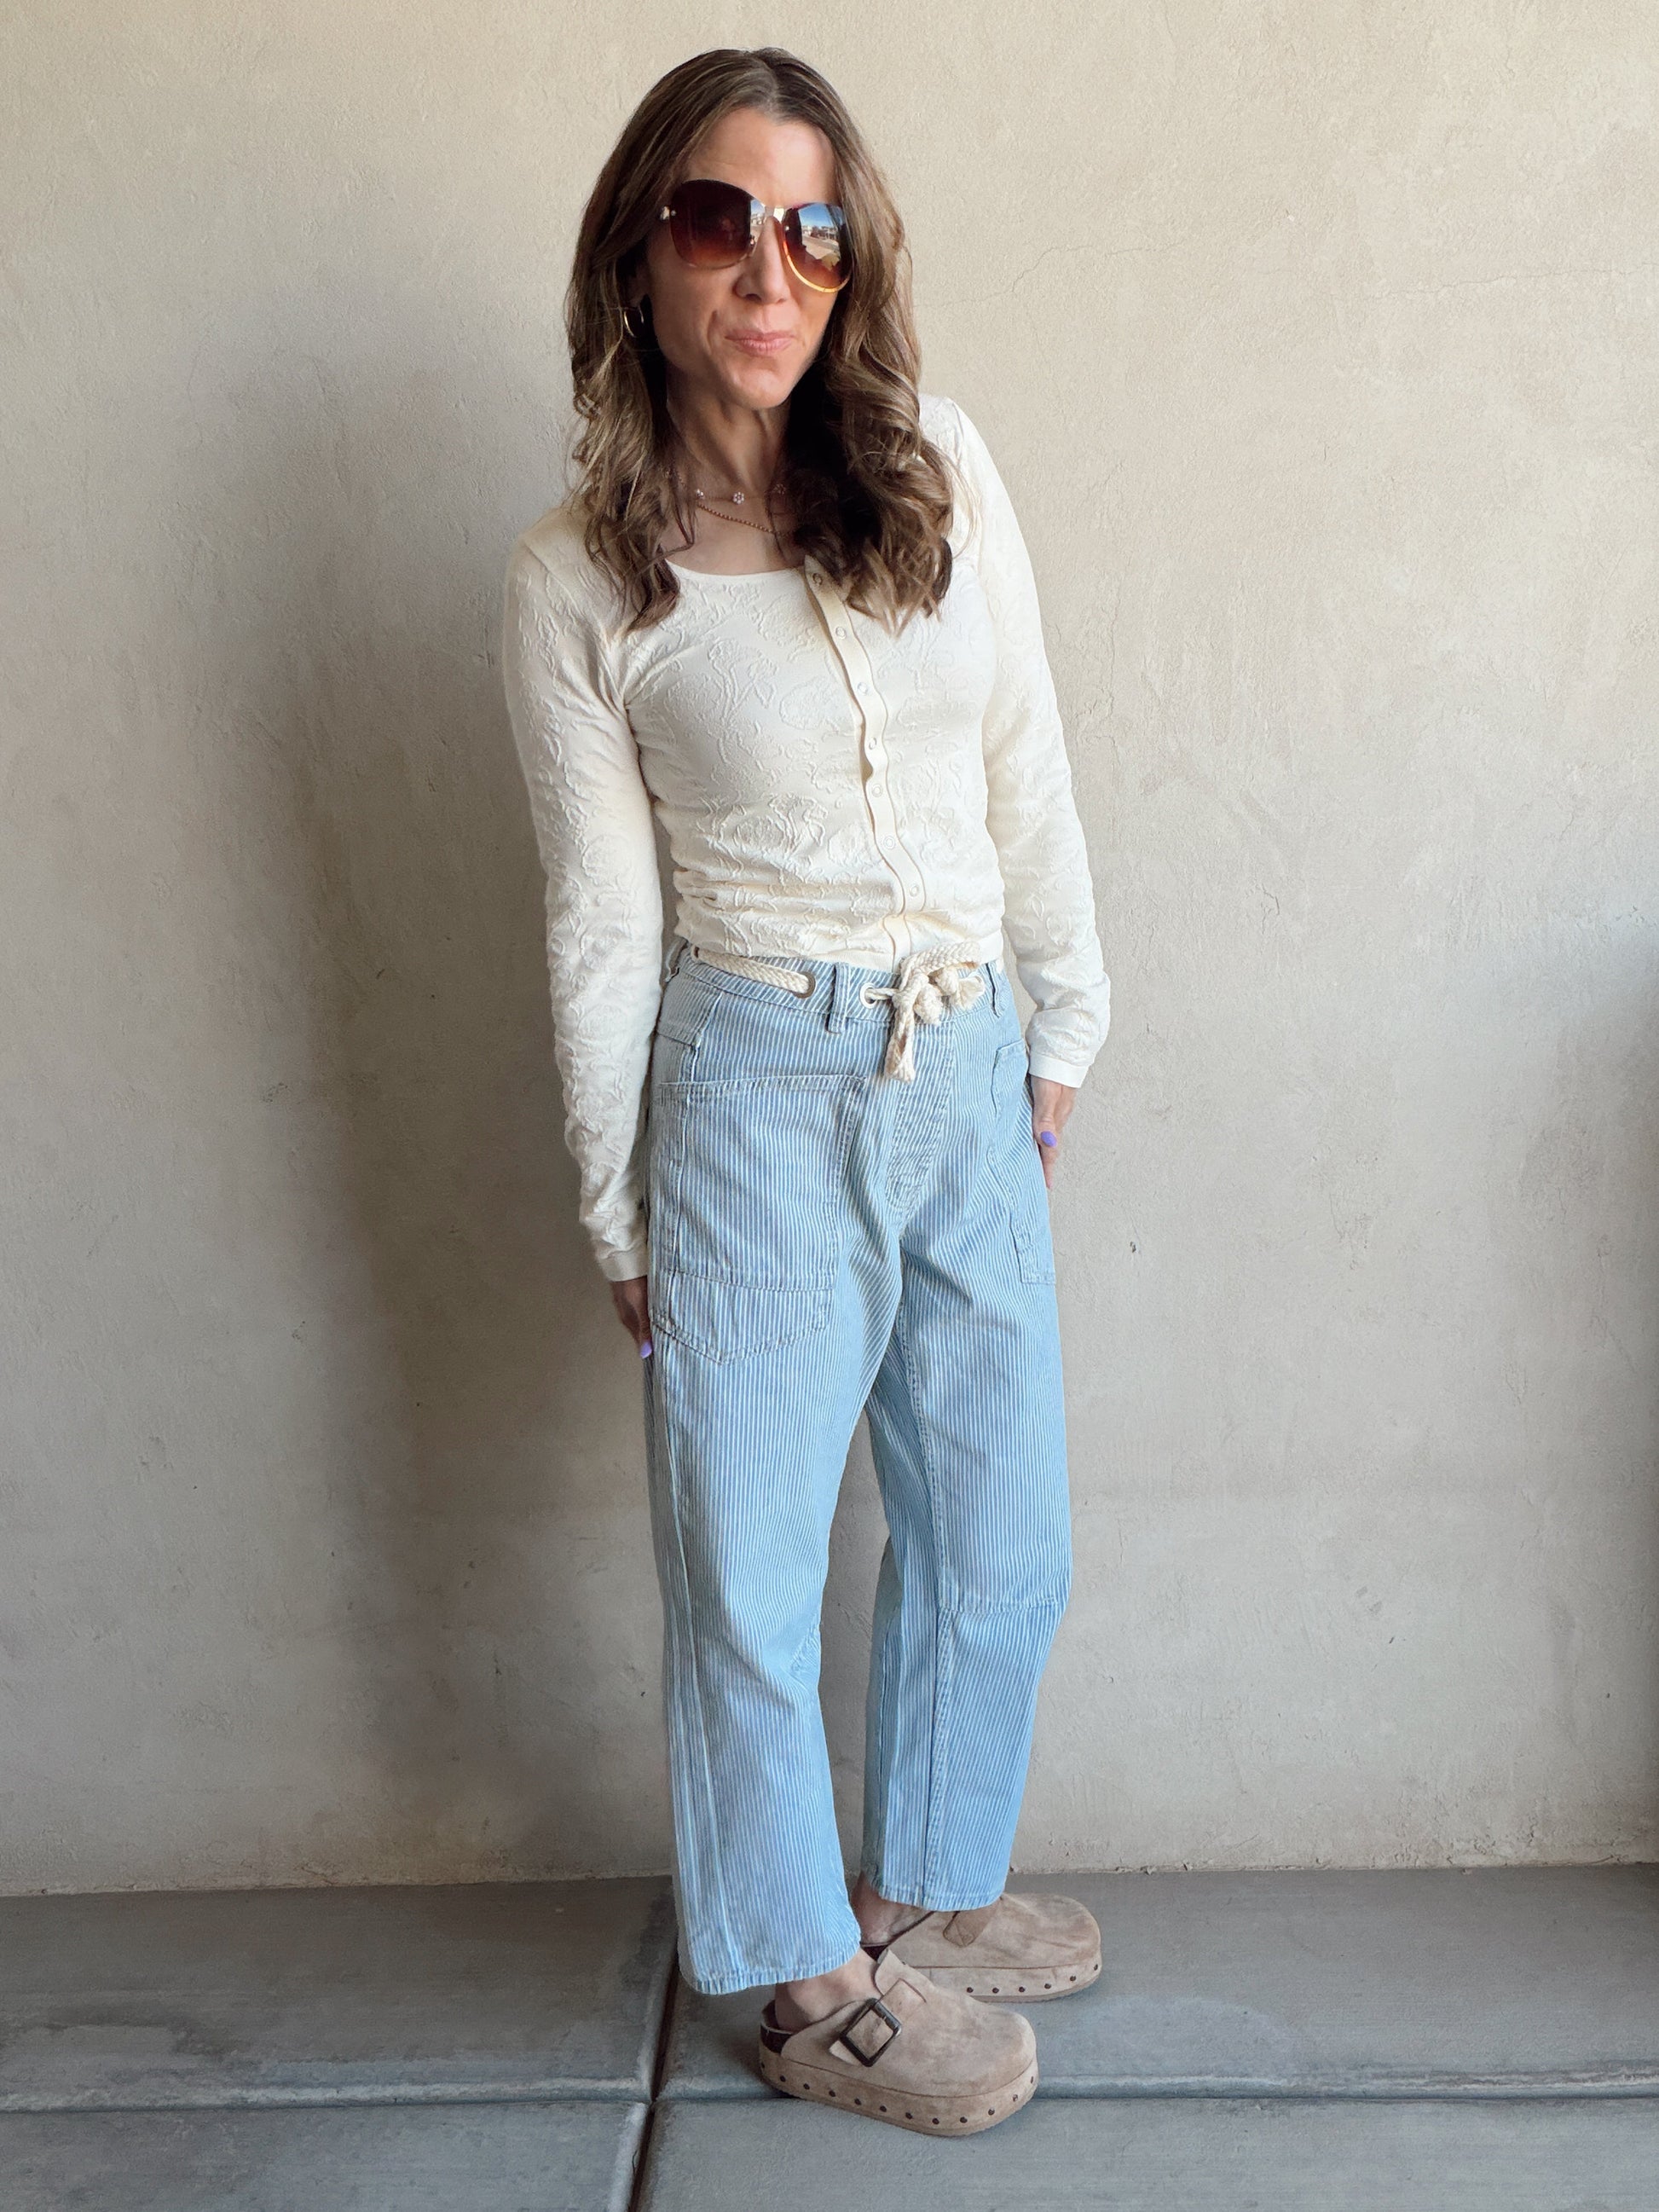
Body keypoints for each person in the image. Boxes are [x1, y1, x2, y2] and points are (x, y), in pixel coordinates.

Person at [502, 46, 1111, 2137]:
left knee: (1000, 1524)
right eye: (718, 220)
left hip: (962, 1058)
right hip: (752, 1089)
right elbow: (601, 919)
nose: (768, 271)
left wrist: (1059, 1025)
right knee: (745, 1569)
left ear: (851, 266)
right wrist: (617, 1202)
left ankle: (919, 1888)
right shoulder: (579, 579)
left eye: (813, 230)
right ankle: (795, 1971)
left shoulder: (934, 465)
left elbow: (1020, 753)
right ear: (640, 251)